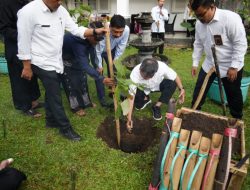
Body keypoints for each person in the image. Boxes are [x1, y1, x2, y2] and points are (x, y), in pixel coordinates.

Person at [17, 0, 106, 141]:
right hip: (41, 62)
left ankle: (51, 120)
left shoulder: (61, 10)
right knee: (55, 95)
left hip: (56, 60)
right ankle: (65, 129)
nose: (60, 2)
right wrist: (26, 66)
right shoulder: (28, 12)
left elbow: (75, 29)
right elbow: (23, 41)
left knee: (51, 93)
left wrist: (95, 31)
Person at [190, 0, 247, 119]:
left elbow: (240, 43)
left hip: (230, 65)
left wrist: (234, 66)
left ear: (212, 7)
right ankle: (194, 112)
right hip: (210, 64)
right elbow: (198, 43)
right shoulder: (199, 23)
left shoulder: (230, 18)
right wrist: (195, 63)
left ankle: (236, 119)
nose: (200, 19)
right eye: (197, 15)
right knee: (199, 89)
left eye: (202, 14)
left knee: (233, 93)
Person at [62, 21, 114, 116]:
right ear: (90, 35)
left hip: (77, 59)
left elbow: (92, 52)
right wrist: (101, 78)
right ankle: (76, 107)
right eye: (96, 40)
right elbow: (85, 65)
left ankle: (86, 102)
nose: (97, 42)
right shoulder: (78, 43)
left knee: (82, 80)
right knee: (72, 83)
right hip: (68, 60)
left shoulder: (90, 39)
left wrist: (97, 65)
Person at [0, 0, 42, 118]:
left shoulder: (27, 2)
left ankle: (33, 101)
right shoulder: (5, 4)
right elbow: (4, 29)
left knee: (31, 74)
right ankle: (24, 106)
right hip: (15, 46)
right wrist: (25, 34)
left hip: (30, 44)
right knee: (19, 77)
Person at [126, 58, 185, 131]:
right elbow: (131, 96)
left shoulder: (162, 67)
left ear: (155, 72)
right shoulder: (135, 74)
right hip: (142, 88)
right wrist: (129, 118)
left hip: (157, 85)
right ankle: (145, 99)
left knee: (172, 84)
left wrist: (181, 89)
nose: (146, 78)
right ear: (141, 69)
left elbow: (175, 76)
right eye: (143, 76)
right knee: (138, 105)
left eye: (148, 77)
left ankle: (157, 106)